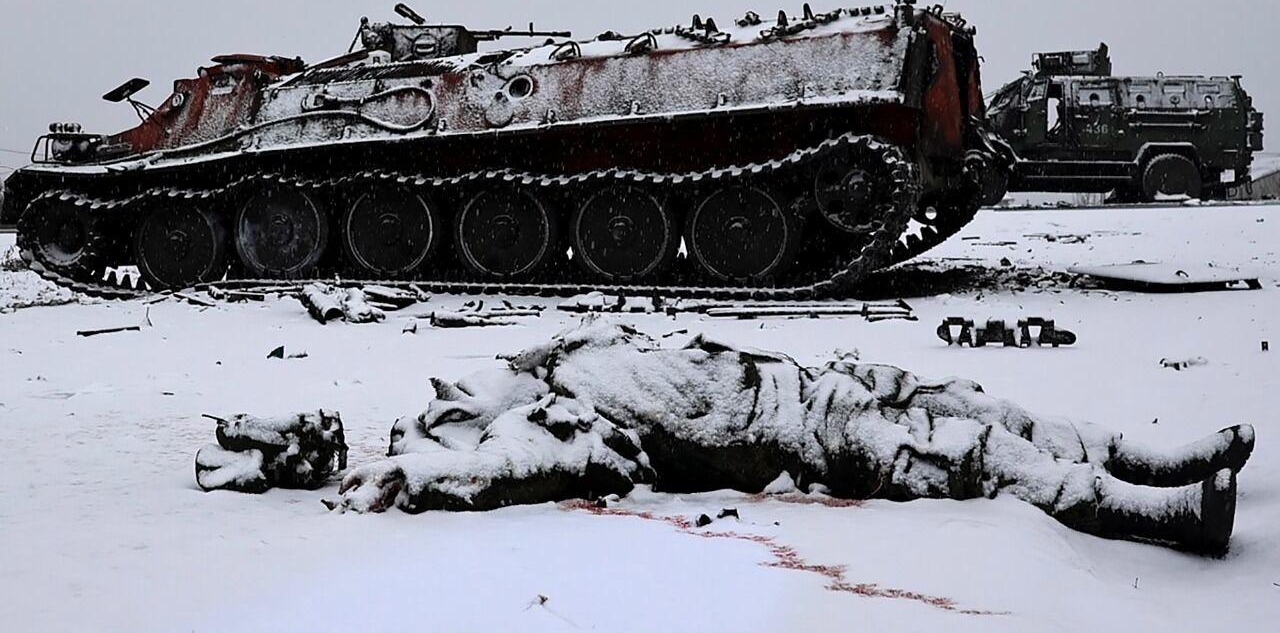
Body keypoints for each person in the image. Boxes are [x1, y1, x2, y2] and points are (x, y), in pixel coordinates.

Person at [337, 322, 1253, 554]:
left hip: (802, 378)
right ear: (461, 421)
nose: (450, 385)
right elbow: (540, 468)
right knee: (958, 455)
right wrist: (427, 477)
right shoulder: (557, 421)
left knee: (969, 404)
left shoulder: (570, 351)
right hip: (792, 431)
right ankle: (1154, 510)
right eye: (444, 407)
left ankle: (1135, 453)